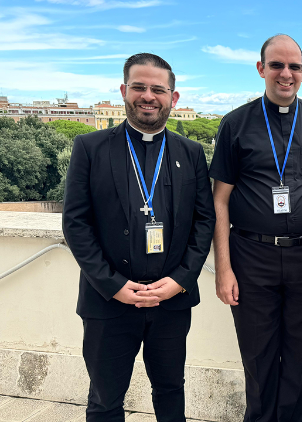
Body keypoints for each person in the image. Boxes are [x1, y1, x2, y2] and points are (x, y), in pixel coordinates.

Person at [209, 34, 302, 421]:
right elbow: (219, 200)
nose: (285, 73)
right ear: (261, 69)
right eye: (276, 65)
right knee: (257, 357)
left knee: (301, 355)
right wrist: (223, 269)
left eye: (294, 66)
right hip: (250, 258)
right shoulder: (235, 124)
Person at [62, 53, 216, 421]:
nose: (148, 96)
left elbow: (204, 222)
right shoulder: (90, 147)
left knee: (170, 392)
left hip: (171, 302)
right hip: (108, 301)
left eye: (158, 89)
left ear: (173, 98)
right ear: (123, 91)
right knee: (105, 400)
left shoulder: (191, 153)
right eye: (139, 87)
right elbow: (75, 223)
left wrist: (179, 281)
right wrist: (113, 284)